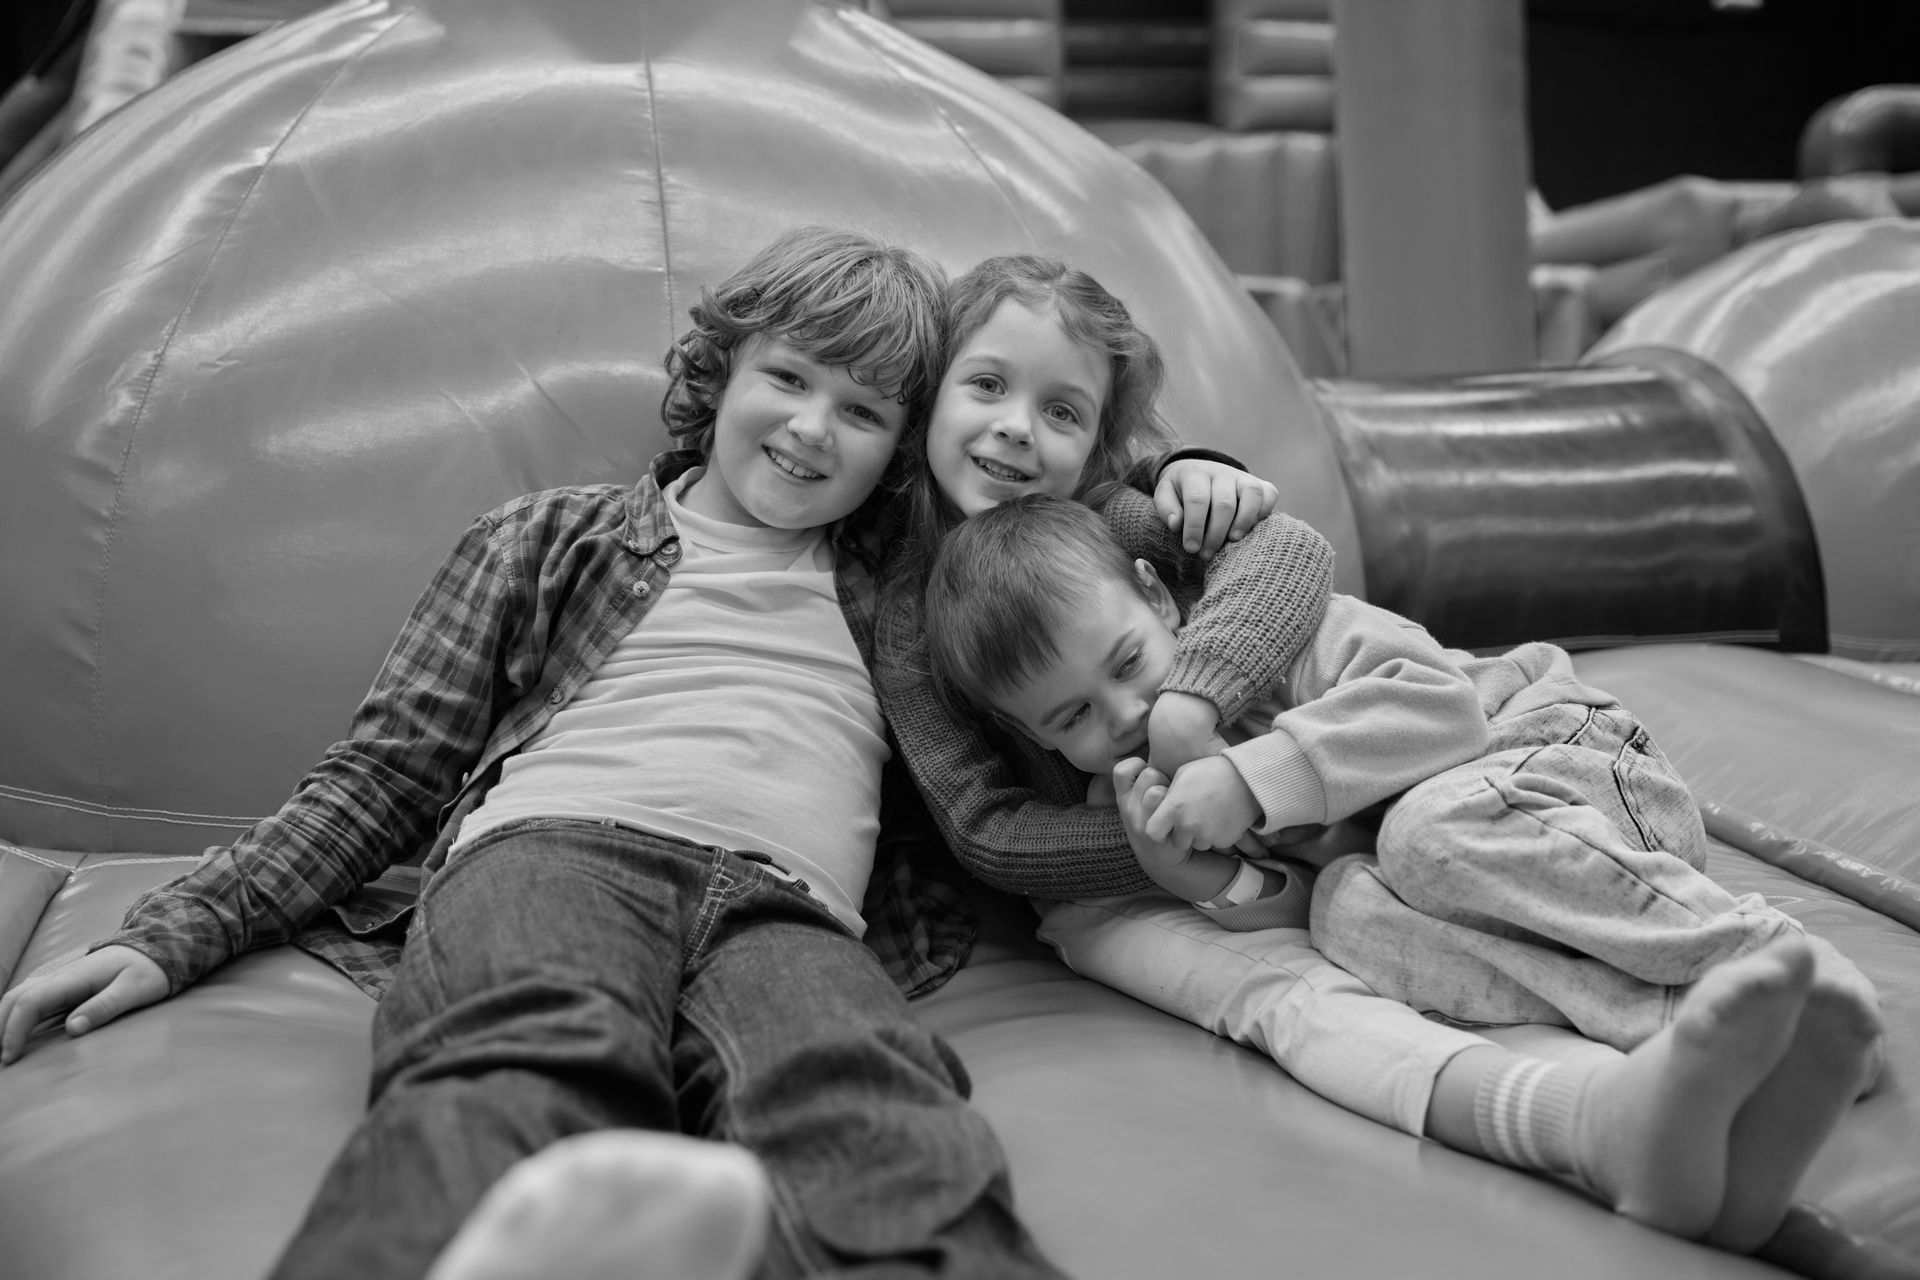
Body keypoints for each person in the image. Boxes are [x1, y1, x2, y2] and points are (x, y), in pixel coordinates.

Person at [2, 226, 1116, 1280]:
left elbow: (1080, 542)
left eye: (864, 410)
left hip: (790, 907)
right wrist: (182, 931)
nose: (814, 430)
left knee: (875, 1106)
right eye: (787, 378)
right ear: (720, 375)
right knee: (526, 1056)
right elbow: (382, 776)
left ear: (900, 448)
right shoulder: (549, 538)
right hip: (561, 851)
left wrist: (1200, 478)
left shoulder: (914, 594)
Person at [921, 492, 1886, 1251]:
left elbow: (1445, 716)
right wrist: (1200, 885)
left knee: (1420, 832)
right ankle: (1680, 1029)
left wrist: (1252, 780)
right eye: (1071, 719)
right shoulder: (1134, 797)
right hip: (1502, 893)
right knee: (1346, 912)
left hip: (1569, 770)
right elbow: (1299, 900)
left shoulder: (1284, 640)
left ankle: (1773, 959)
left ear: (1162, 595)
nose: (1123, 714)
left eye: (1128, 660)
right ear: (1028, 735)